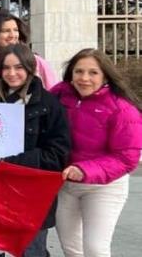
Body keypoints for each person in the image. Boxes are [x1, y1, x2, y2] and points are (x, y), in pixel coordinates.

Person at [0, 44, 71, 257]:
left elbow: (57, 155)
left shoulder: (49, 105)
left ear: (30, 68)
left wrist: (10, 160)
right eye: (6, 68)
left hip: (31, 195)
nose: (12, 74)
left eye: (18, 67)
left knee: (31, 251)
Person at [50, 48, 142, 257]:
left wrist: (84, 170)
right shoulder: (58, 95)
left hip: (104, 187)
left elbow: (126, 158)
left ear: (105, 76)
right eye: (79, 71)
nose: (84, 78)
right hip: (65, 184)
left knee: (95, 249)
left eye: (93, 73)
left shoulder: (123, 110)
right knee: (71, 248)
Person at [0, 10, 58, 89]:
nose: (12, 35)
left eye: (16, 30)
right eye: (6, 31)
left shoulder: (36, 61)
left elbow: (54, 92)